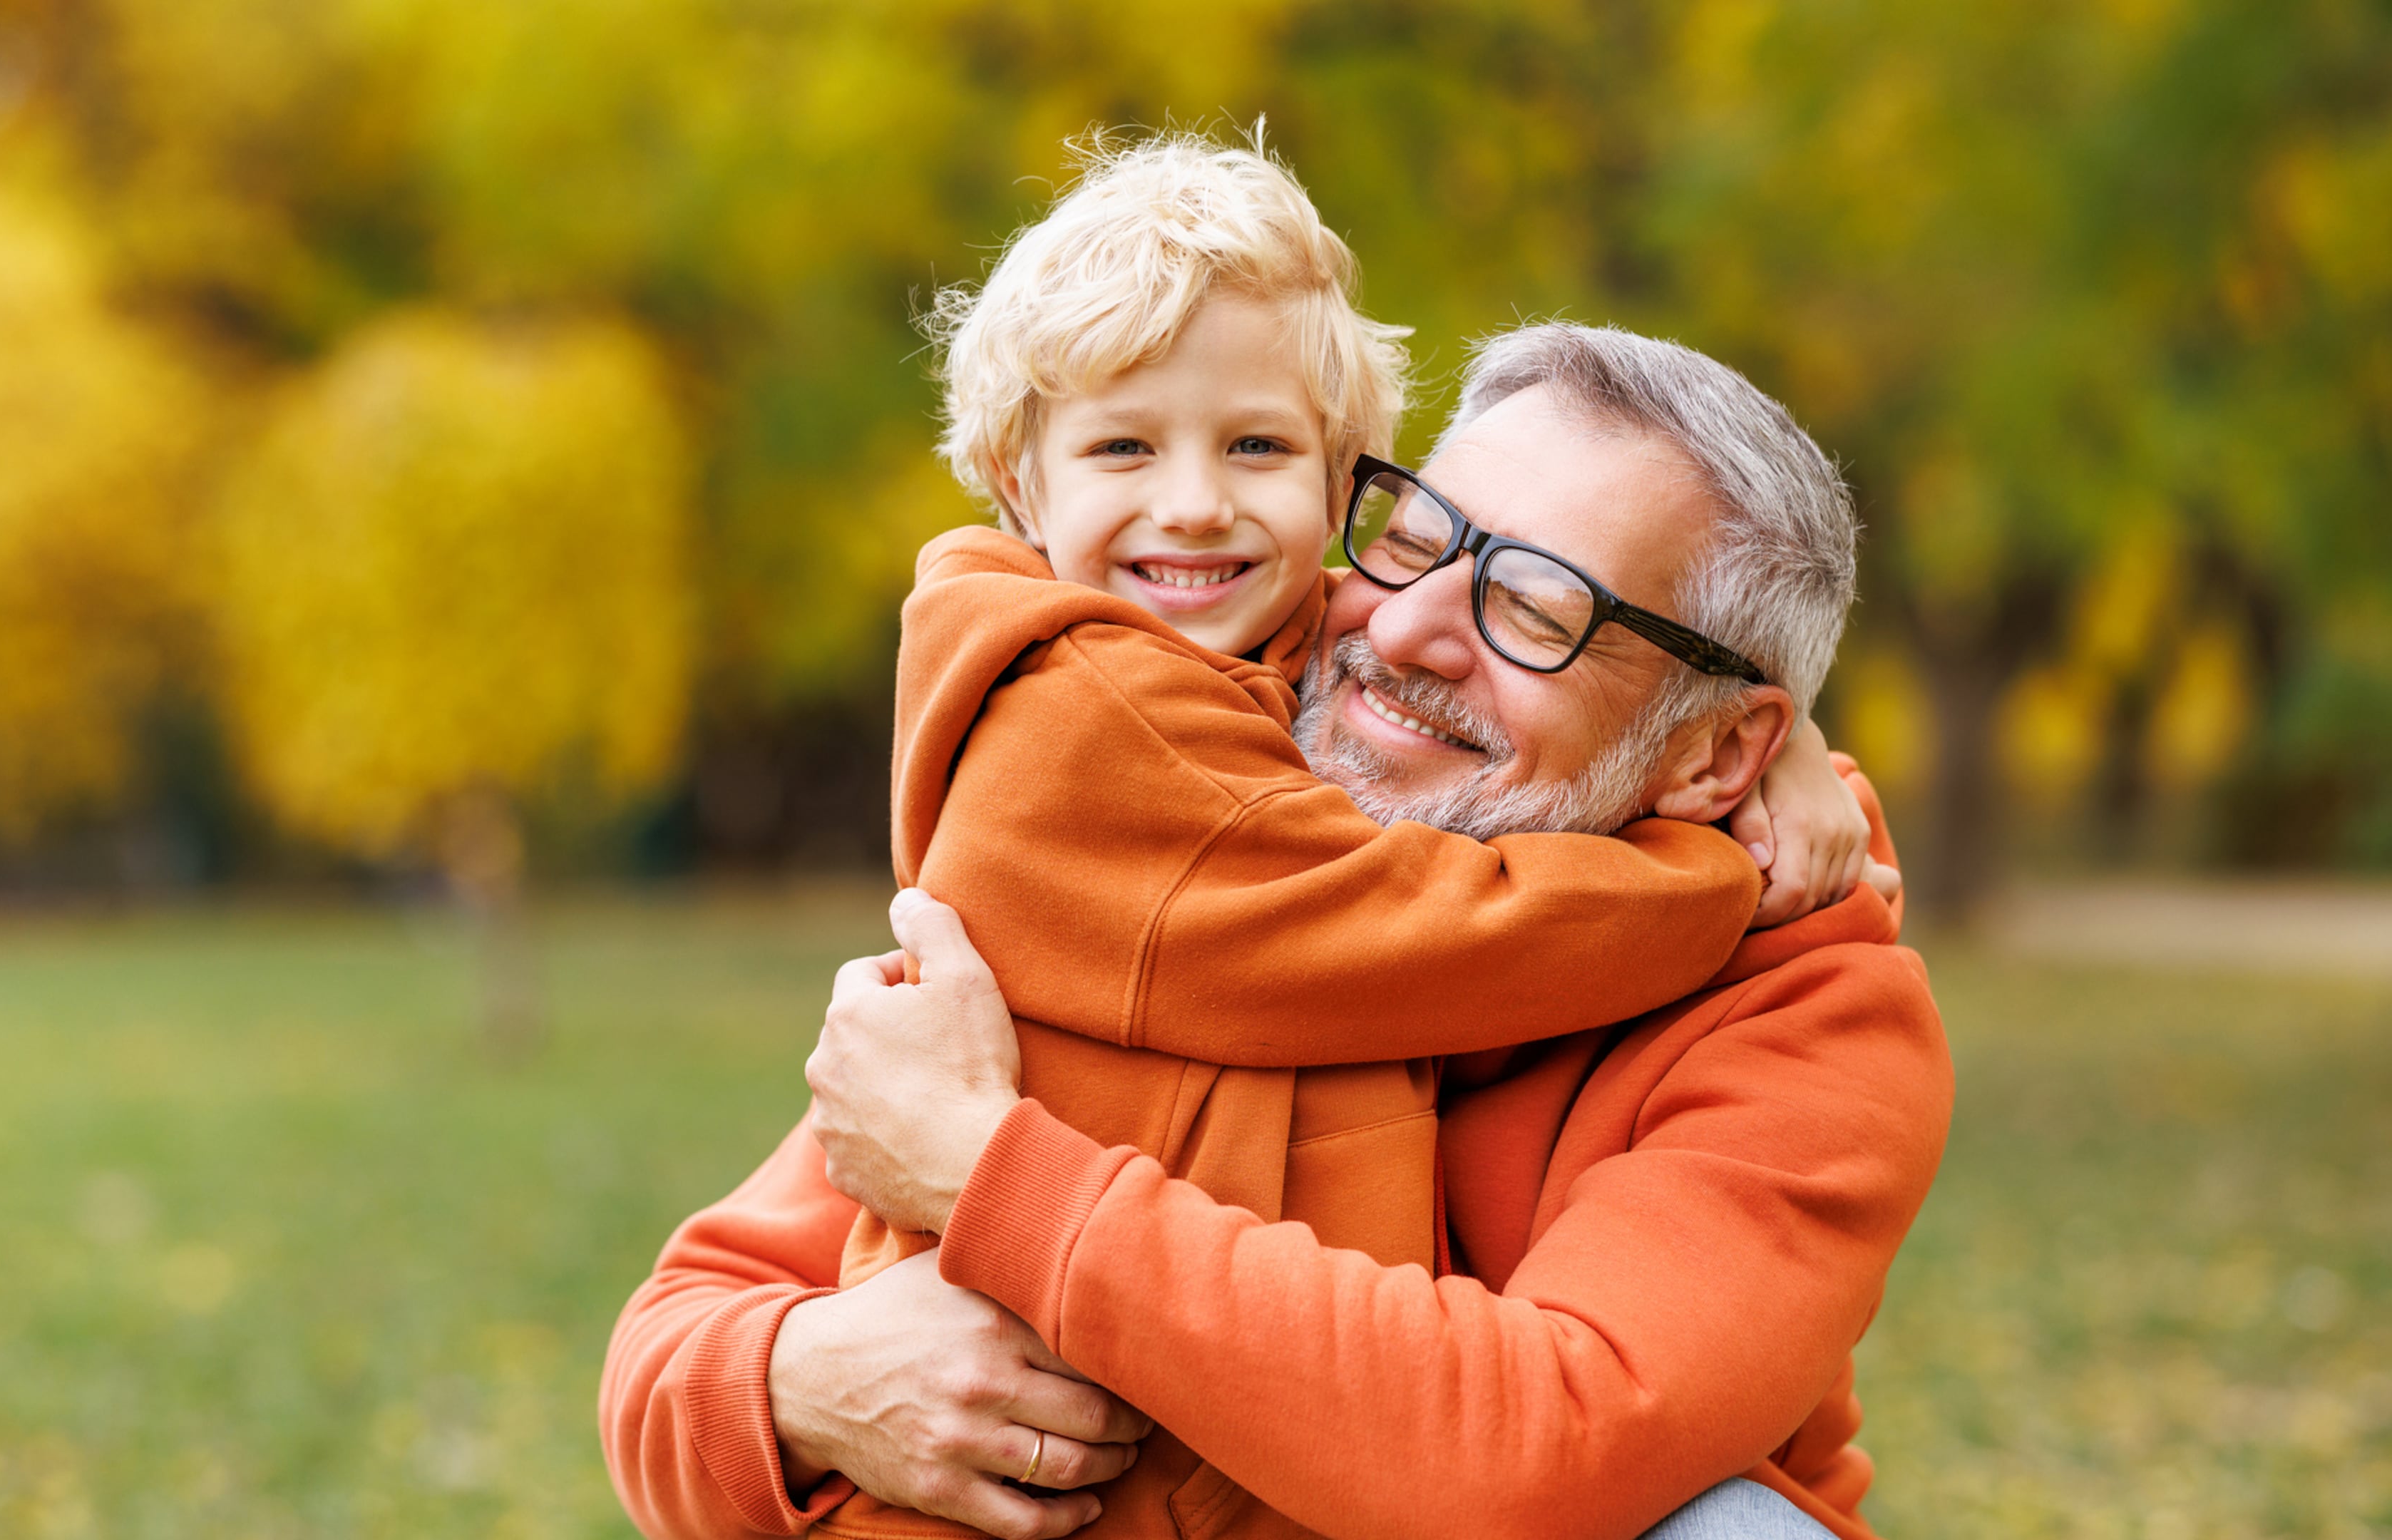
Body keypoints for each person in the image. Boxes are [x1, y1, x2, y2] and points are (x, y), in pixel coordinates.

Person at [602, 325, 1950, 1540]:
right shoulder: (1205, 846)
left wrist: (991, 1179)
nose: (1410, 629)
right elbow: (672, 1342)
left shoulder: (1811, 1017)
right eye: (1418, 534)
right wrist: (803, 1384)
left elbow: (1543, 1446)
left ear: (1720, 755)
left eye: (1537, 610)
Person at [847, 130, 1877, 1351]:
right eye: (1124, 445)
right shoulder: (1080, 718)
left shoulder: (1240, 647)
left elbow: (1552, 1436)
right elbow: (1433, 937)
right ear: (1020, 486)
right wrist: (1714, 868)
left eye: (1258, 448)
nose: (1192, 503)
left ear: (1338, 489)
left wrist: (1786, 744)